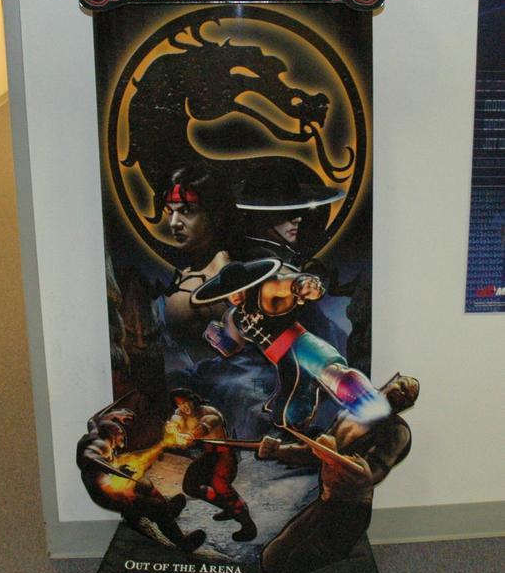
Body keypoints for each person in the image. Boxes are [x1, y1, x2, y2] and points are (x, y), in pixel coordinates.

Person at [192, 259, 390, 434]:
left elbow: (284, 284)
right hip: (283, 362)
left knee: (333, 373)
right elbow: (232, 349)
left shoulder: (265, 290)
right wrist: (217, 338)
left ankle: (373, 405)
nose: (235, 295)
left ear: (249, 283)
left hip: (300, 345)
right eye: (230, 292)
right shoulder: (233, 317)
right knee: (288, 414)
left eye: (239, 288)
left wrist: (302, 284)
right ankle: (307, 417)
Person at [257, 374, 419, 573]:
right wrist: (278, 450)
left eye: (407, 397)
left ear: (406, 406)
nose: (401, 394)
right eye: (402, 386)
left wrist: (331, 453)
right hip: (325, 503)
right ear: (391, 380)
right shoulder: (350, 413)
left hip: (350, 512)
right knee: (272, 557)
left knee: (297, 565)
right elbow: (313, 452)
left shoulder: (397, 432)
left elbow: (367, 476)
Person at [76, 404, 206, 552]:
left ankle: (167, 510)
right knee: (155, 506)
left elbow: (93, 420)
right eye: (120, 433)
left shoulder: (99, 433)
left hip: (111, 482)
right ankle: (182, 542)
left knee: (144, 483)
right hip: (107, 494)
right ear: (112, 433)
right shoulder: (100, 444)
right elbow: (89, 456)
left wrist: (114, 415)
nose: (123, 436)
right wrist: (115, 471)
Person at [159, 166, 243, 363]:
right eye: (170, 212)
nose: (174, 223)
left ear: (216, 215)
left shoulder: (223, 281)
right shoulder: (184, 279)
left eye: (186, 211)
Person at [165, 388, 257, 542]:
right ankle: (228, 508)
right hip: (209, 455)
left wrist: (189, 435)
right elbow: (176, 419)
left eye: (186, 402)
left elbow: (204, 426)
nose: (184, 407)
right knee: (190, 486)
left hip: (224, 454)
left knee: (220, 485)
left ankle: (248, 525)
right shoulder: (180, 413)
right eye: (180, 404)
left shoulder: (210, 413)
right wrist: (172, 427)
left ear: (193, 399)